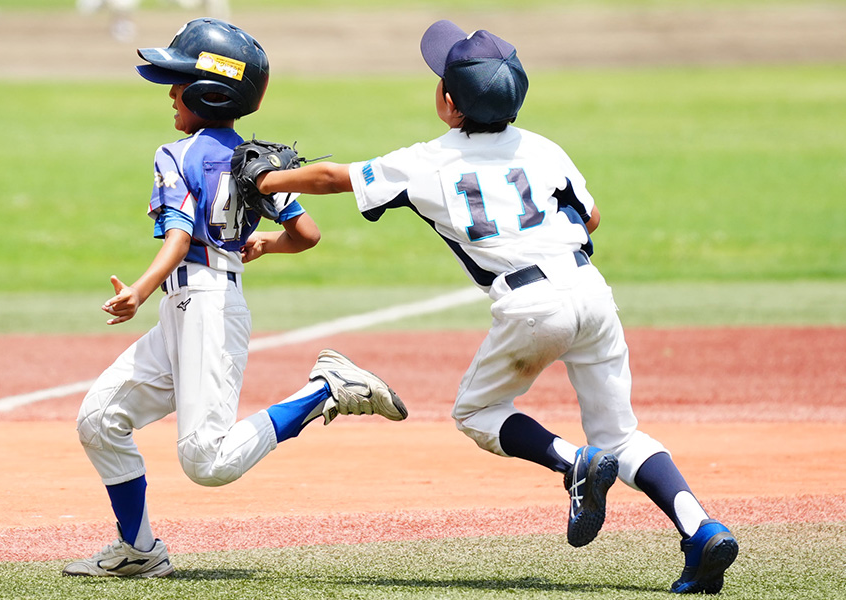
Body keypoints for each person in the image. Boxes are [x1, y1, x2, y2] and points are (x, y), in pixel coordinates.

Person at [249, 19, 739, 595]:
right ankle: (700, 529)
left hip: (530, 304)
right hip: (591, 290)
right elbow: (592, 218)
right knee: (622, 435)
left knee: (475, 412)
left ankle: (570, 464)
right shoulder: (543, 147)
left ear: (449, 104)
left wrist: (265, 178)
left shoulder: (429, 160)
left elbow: (335, 177)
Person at [62, 18, 407, 579]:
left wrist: (138, 292)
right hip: (195, 312)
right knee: (100, 420)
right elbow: (307, 235)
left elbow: (178, 238)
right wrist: (264, 243)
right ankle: (139, 551)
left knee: (208, 461)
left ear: (206, 92)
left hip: (205, 310)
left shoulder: (175, 154)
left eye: (178, 83)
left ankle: (326, 391)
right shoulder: (255, 159)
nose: (171, 94)